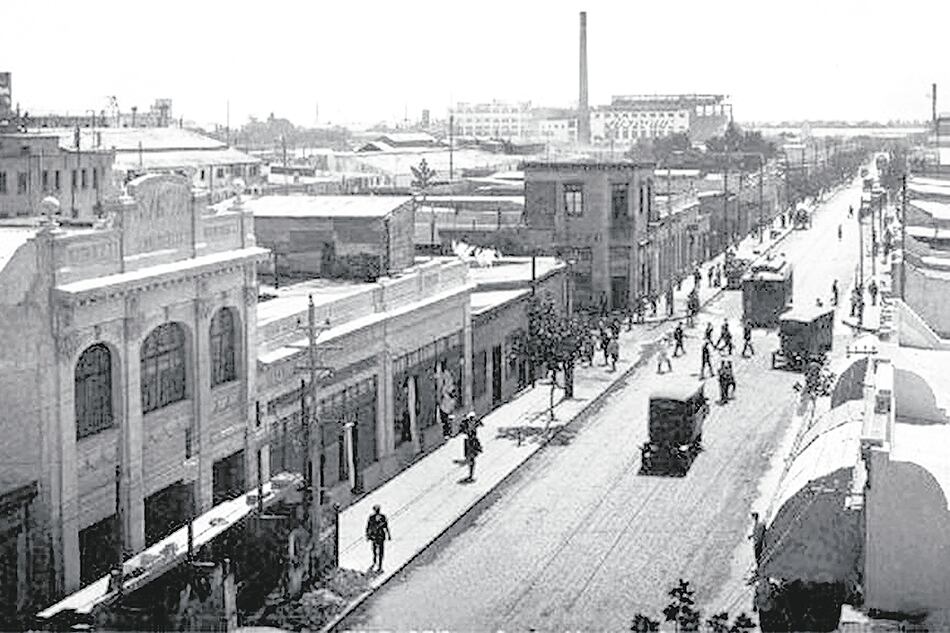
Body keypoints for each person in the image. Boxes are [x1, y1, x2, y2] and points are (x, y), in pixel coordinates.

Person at [365, 505, 391, 573]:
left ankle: (379, 564)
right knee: (374, 550)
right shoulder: (372, 517)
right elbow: (368, 526)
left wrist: (388, 534)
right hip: (375, 536)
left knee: (380, 550)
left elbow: (386, 526)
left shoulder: (382, 517)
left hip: (380, 535)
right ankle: (375, 562)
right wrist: (368, 535)